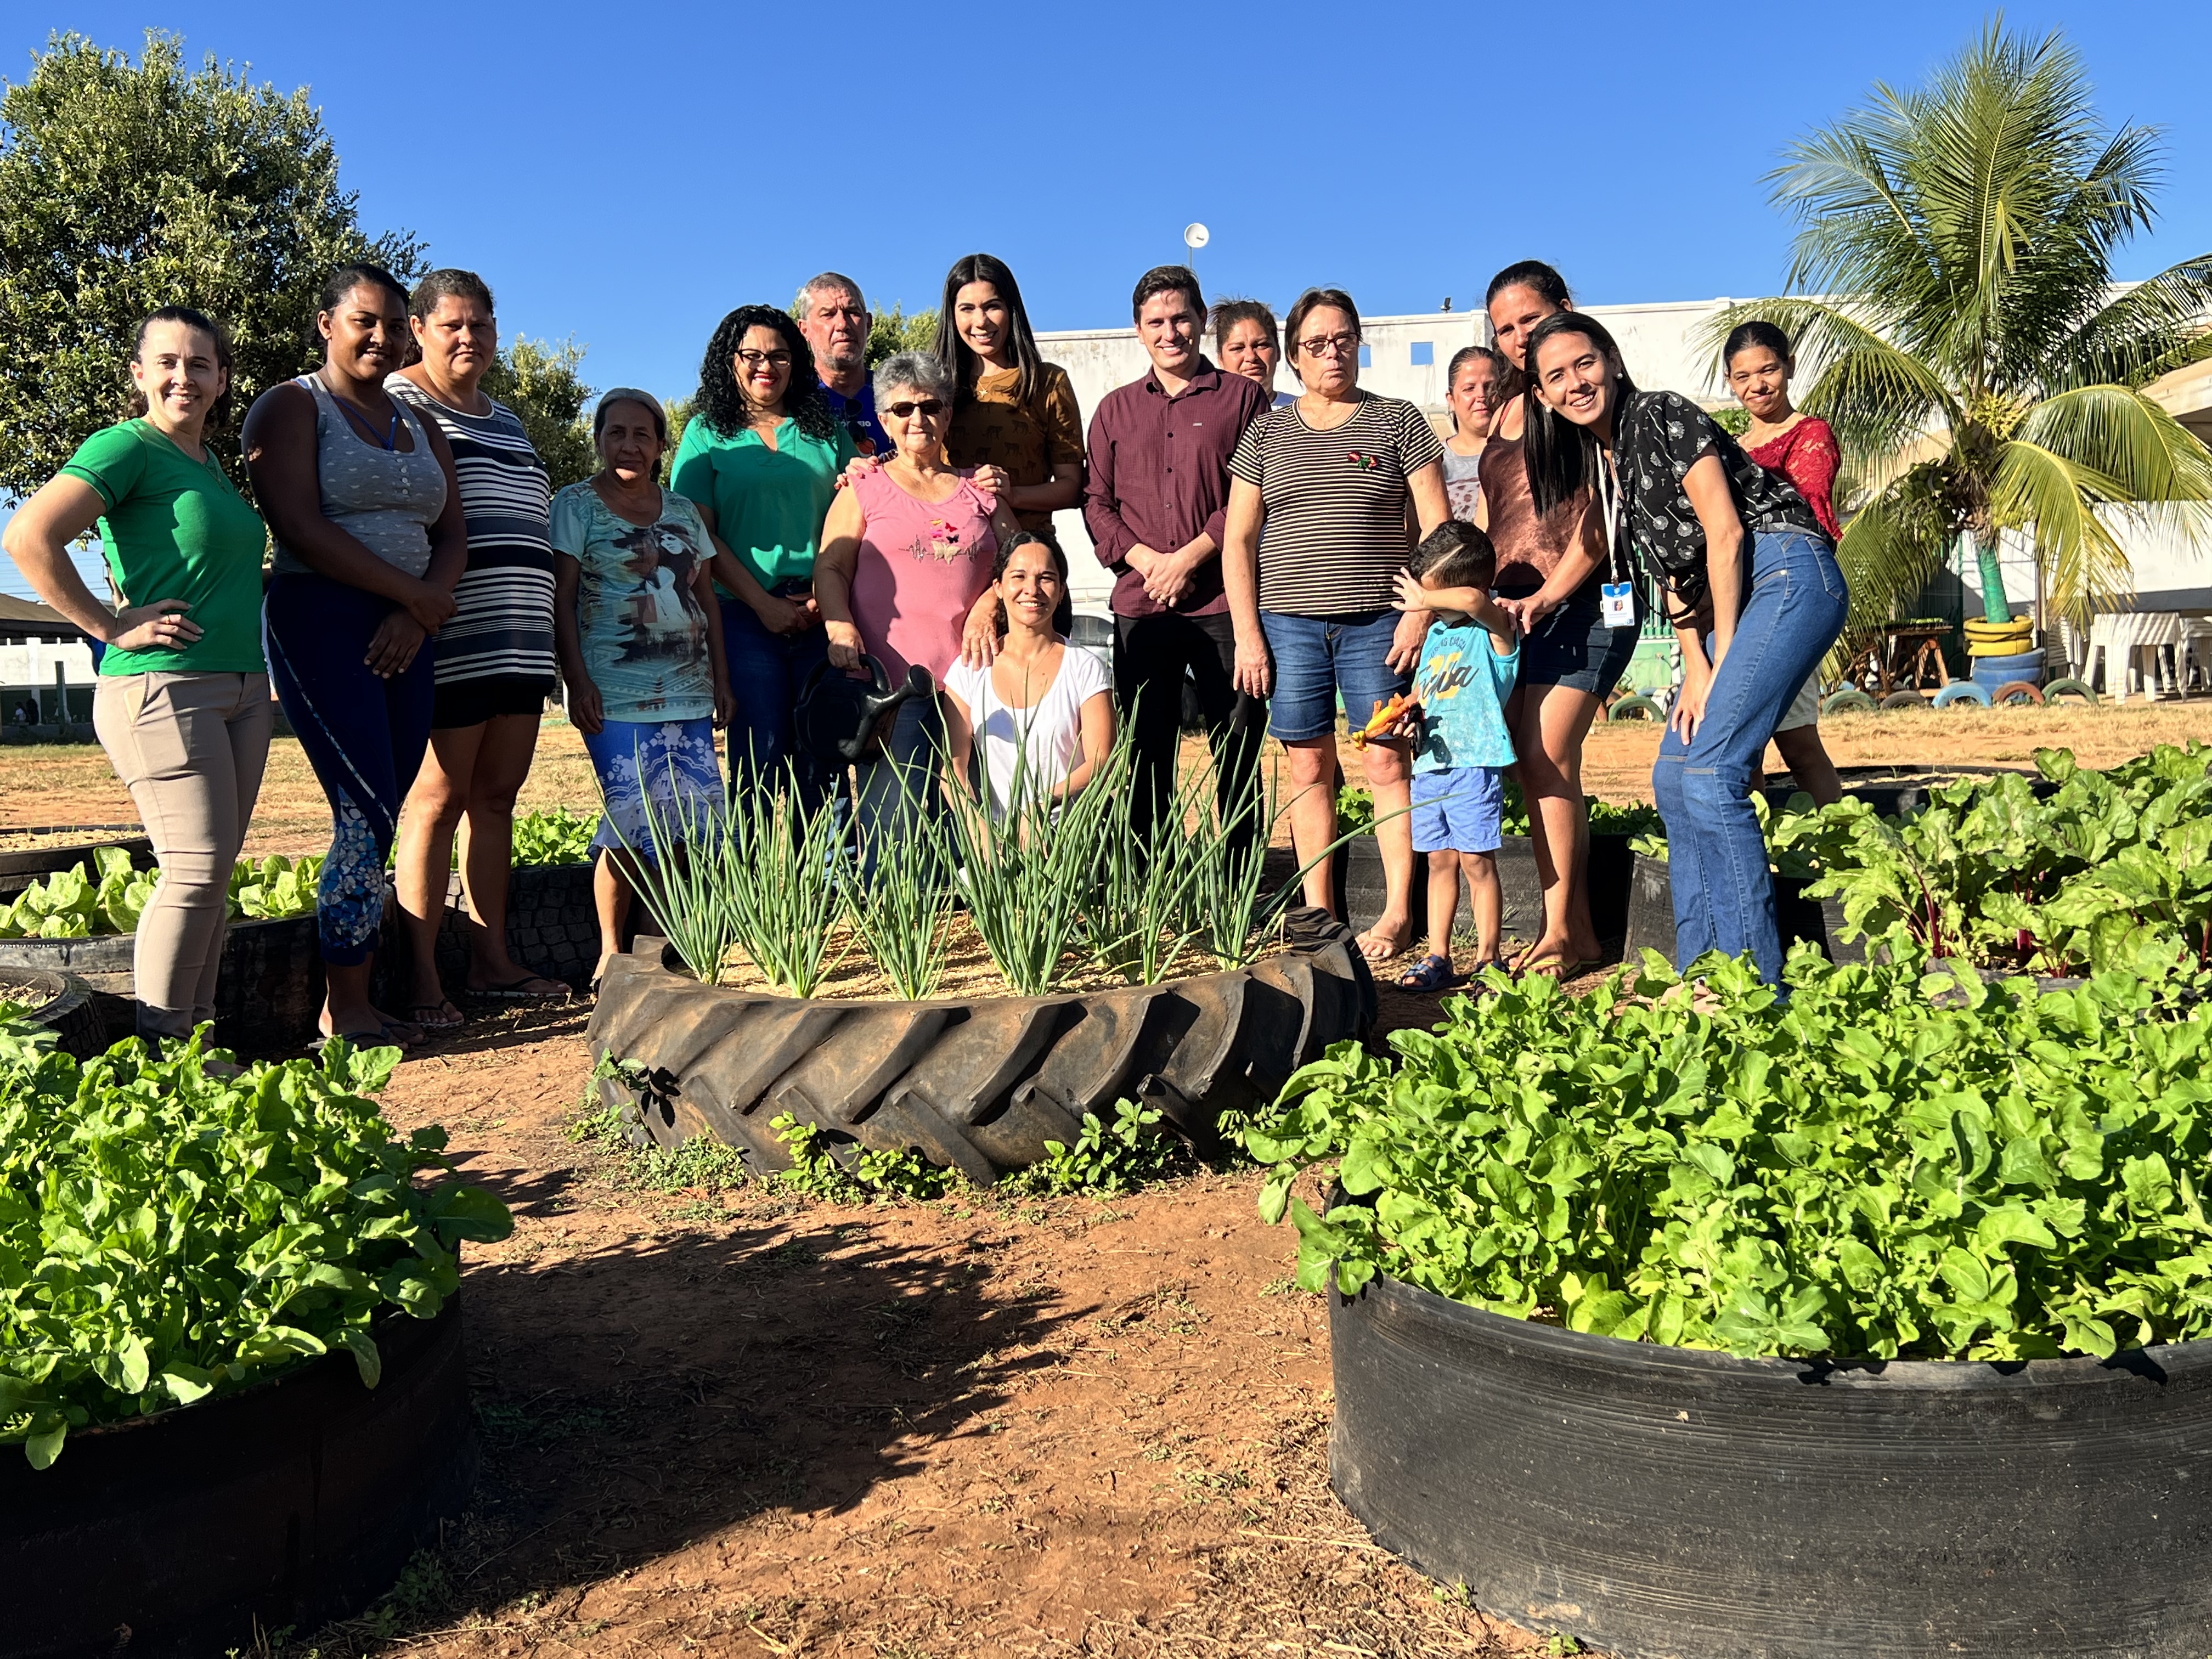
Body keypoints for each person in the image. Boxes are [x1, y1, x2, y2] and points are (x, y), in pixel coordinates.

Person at [1524, 311, 1845, 985]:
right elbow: (1676, 577)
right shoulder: (1608, 458)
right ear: (1544, 396)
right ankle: (1703, 971)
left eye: (1584, 363)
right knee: (1674, 775)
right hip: (1730, 598)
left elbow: (1725, 534)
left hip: (1785, 573)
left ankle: (1755, 984)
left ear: (1610, 359)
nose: (1576, 382)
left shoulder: (1661, 414)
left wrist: (1723, 653)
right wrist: (1695, 665)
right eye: (1557, 376)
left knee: (1712, 774)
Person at [2, 306, 272, 1042]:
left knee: (213, 876)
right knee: (192, 869)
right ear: (140, 374)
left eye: (201, 365)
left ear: (221, 381)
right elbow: (29, 536)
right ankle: (165, 1048)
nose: (184, 376)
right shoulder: (127, 447)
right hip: (163, 688)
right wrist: (108, 623)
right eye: (168, 363)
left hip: (243, 691)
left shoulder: (210, 466)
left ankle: (200, 1041)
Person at [244, 263, 467, 1045]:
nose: (383, 336)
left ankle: (360, 994)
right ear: (326, 324)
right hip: (322, 620)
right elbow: (299, 525)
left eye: (396, 324)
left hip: (410, 627)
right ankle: (348, 1004)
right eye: (365, 320)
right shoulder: (289, 407)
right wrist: (412, 598)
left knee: (383, 809)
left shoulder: (421, 422)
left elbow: (452, 532)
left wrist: (422, 607)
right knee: (362, 811)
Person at [1222, 286, 1448, 963]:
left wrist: (1420, 612)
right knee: (1308, 767)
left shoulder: (1400, 421)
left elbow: (1437, 527)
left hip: (1379, 623)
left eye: (1343, 338)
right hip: (1289, 625)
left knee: (1385, 760)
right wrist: (1247, 634)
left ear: (1358, 342)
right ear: (1294, 357)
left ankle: (1398, 913)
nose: (1333, 351)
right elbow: (1239, 540)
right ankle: (1320, 914)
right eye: (1317, 343)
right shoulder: (1267, 433)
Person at [386, 268, 565, 1029]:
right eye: (452, 325)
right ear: (419, 329)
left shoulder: (510, 422)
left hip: (520, 640)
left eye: (481, 326)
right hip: (449, 636)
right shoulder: (398, 403)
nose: (469, 338)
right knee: (435, 803)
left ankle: (492, 963)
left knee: (495, 802)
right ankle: (422, 978)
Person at [550, 390, 735, 988]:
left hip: (688, 689)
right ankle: (610, 952)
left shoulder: (683, 512)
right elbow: (563, 598)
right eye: (617, 433)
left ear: (661, 446)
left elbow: (706, 597)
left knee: (692, 825)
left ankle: (667, 941)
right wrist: (575, 679)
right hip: (614, 693)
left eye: (643, 435)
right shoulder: (574, 505)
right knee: (630, 821)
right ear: (599, 438)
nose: (629, 445)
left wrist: (722, 681)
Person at [1084, 266, 1271, 854]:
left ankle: (1242, 883)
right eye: (1156, 322)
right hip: (1143, 607)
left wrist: (1187, 559)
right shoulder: (1114, 410)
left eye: (1181, 318)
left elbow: (1253, 495)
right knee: (1146, 751)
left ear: (1201, 322)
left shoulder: (1243, 401)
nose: (1171, 332)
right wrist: (1148, 562)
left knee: (1237, 747)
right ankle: (1151, 879)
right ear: (1138, 331)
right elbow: (1097, 502)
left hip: (1223, 602)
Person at [1478, 260, 1629, 981]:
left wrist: (1552, 593)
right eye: (1504, 327)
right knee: (1538, 767)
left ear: (1565, 308)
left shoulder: (1576, 395)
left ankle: (1559, 933)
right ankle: (1581, 932)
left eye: (1529, 320)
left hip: (1591, 601)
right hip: (1516, 615)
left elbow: (1604, 509)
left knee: (1544, 752)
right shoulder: (1512, 407)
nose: (1516, 337)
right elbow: (1491, 516)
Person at [815, 352, 1018, 860]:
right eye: (902, 409)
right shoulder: (864, 487)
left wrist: (989, 601)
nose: (917, 419)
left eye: (930, 406)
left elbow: (1024, 562)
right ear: (883, 420)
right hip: (893, 684)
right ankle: (901, 929)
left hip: (975, 683)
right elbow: (831, 568)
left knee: (977, 824)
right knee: (895, 824)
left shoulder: (980, 491)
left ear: (948, 414)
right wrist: (840, 628)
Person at [669, 304, 856, 809]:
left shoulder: (825, 429)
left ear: (795, 362)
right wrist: (762, 605)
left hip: (824, 614)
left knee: (826, 759)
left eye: (778, 356)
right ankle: (760, 881)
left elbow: (860, 514)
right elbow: (698, 534)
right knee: (760, 760)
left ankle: (830, 881)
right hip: (744, 618)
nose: (765, 367)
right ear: (730, 362)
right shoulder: (705, 434)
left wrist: (826, 594)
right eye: (751, 355)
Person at [1386, 521, 1520, 991]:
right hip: (1430, 766)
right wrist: (1404, 715)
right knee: (1439, 862)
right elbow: (1421, 694)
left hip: (1473, 763)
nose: (1427, 602)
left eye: (1433, 592)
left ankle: (1489, 957)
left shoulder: (1495, 629)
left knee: (1476, 862)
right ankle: (1438, 954)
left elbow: (1473, 602)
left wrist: (1426, 602)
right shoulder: (1438, 637)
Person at [1727, 319, 1845, 806]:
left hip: (1788, 598)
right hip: (1736, 602)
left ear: (1789, 367)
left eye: (1768, 370)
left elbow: (1805, 510)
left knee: (1797, 742)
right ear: (1731, 383)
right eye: (1743, 376)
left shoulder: (1810, 434)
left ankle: (1845, 845)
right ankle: (1754, 849)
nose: (1757, 385)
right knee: (1740, 749)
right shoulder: (1730, 448)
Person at [944, 534, 1115, 820]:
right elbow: (953, 769)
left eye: (1046, 578)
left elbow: (1102, 759)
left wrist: (1042, 806)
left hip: (1070, 840)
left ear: (1061, 591)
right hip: (995, 845)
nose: (1032, 590)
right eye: (1019, 577)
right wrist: (980, 835)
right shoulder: (970, 668)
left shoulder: (1084, 667)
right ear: (998, 587)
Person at [934, 255, 1086, 554]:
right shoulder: (934, 387)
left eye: (992, 306)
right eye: (967, 309)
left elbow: (1072, 487)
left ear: (1011, 310)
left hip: (1030, 564)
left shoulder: (1048, 382)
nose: (981, 322)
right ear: (952, 316)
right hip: (954, 560)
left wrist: (1011, 495)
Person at [797, 272, 891, 458]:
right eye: (828, 314)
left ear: (868, 324)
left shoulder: (897, 397)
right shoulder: (792, 400)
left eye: (852, 313)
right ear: (804, 329)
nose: (842, 324)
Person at [1441, 345, 1506, 523]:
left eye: (1489, 386)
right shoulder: (1433, 461)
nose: (1481, 395)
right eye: (1470, 388)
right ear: (1451, 399)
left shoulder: (1520, 452)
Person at [1211, 299, 1296, 409]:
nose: (1251, 356)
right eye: (1238, 348)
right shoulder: (1206, 416)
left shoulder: (1305, 416)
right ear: (1220, 359)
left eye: (1261, 345)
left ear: (1278, 351)